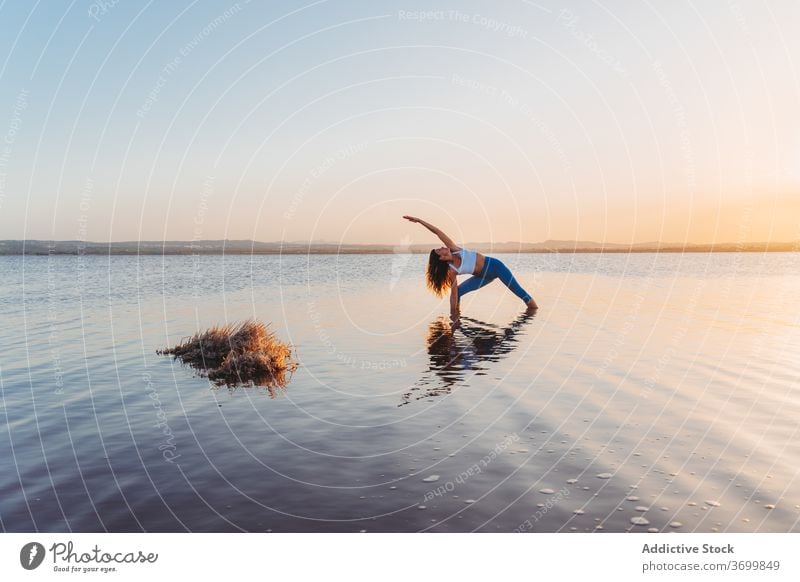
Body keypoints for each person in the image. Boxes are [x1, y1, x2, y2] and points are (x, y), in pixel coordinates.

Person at [403, 216, 538, 325]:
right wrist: (453, 315)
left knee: (521, 294)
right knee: (459, 292)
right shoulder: (452, 271)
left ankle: (533, 313)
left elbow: (438, 232)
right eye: (440, 249)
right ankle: (458, 319)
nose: (442, 246)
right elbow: (454, 294)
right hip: (482, 277)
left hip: (496, 267)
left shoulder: (455, 249)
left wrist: (420, 221)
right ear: (441, 258)